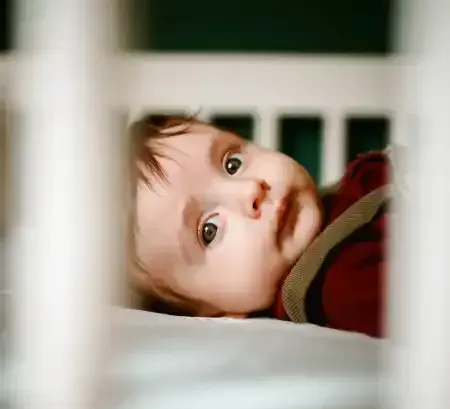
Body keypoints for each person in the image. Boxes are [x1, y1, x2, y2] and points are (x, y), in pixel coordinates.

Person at [129, 113, 391, 338]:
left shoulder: (347, 194)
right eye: (210, 230)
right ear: (217, 314)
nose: (250, 190)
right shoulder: (345, 286)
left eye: (233, 164)